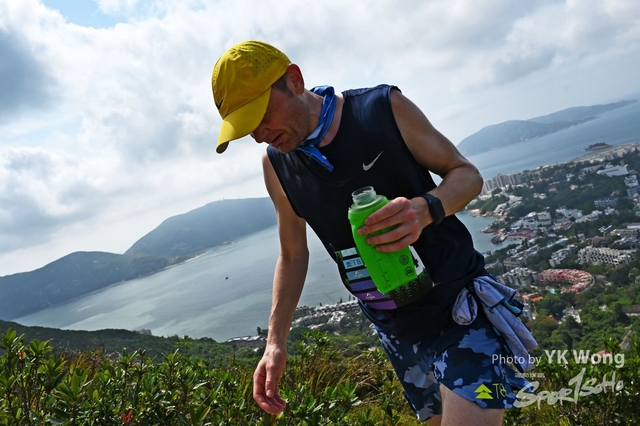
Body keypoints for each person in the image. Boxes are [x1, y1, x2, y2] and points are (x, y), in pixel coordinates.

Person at [211, 40, 531, 426]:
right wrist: (275, 342)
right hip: (395, 329)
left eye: (261, 115)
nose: (260, 135)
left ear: (294, 80)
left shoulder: (381, 109)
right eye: (247, 128)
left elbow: (467, 174)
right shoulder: (277, 165)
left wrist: (427, 209)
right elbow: (292, 255)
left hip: (457, 307)